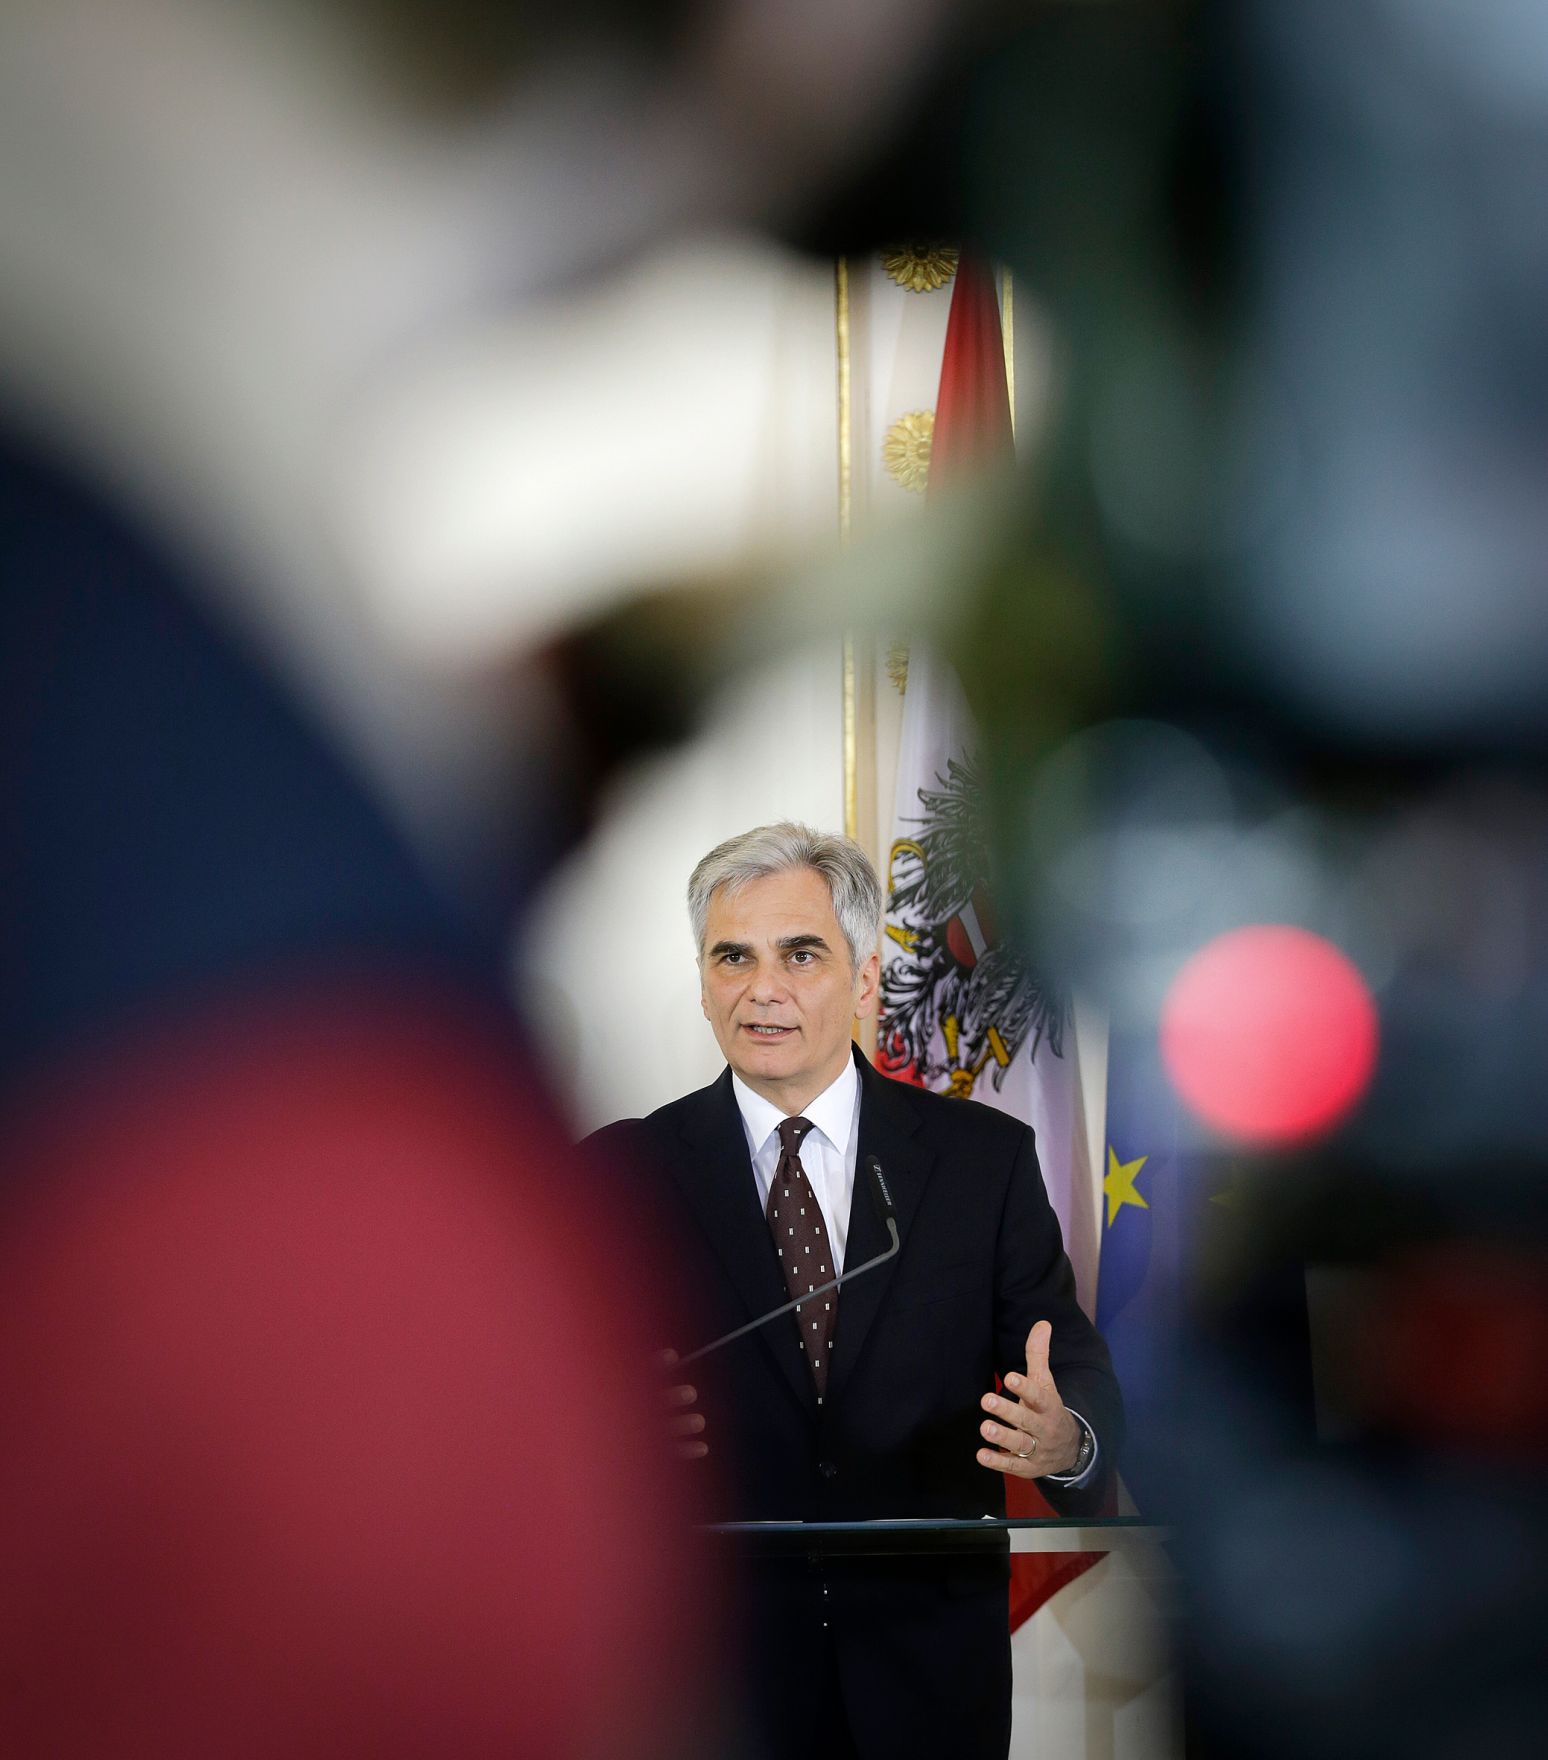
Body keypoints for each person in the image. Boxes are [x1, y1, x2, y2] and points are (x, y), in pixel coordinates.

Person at [589, 822, 1123, 1760]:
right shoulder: (623, 1174)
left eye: (801, 954)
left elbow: (1069, 1364)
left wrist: (1064, 1436)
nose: (764, 989)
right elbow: (535, 1405)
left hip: (926, 1681)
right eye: (733, 957)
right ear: (704, 984)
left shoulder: (980, 1163)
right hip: (716, 1681)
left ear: (866, 978)